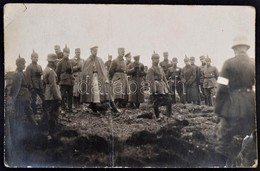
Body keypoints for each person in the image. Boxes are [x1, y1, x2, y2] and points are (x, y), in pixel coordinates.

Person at [214, 35, 256, 167]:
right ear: (246, 48)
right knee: (249, 137)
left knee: (223, 140)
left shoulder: (228, 63)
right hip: (251, 104)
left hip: (232, 106)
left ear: (234, 49)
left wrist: (218, 109)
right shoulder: (253, 63)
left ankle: (219, 165)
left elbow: (221, 88)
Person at [5, 55, 37, 165]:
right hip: (23, 97)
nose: (23, 65)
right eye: (22, 63)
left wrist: (13, 99)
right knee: (24, 115)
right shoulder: (18, 74)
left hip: (24, 96)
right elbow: (17, 88)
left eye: (24, 63)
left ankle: (29, 129)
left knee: (23, 115)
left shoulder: (20, 74)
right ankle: (32, 128)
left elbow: (20, 87)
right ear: (18, 64)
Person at [80, 46, 119, 113]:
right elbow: (84, 72)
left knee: (99, 94)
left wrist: (105, 78)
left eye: (96, 51)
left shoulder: (100, 60)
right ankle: (93, 108)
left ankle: (100, 108)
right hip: (91, 79)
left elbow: (103, 70)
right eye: (94, 51)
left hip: (99, 79)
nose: (95, 52)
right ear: (91, 51)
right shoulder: (87, 61)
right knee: (92, 94)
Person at [146, 53, 172, 119]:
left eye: (158, 58)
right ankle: (157, 116)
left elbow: (164, 78)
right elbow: (151, 81)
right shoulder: (151, 69)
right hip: (156, 86)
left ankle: (168, 114)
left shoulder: (160, 68)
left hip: (163, 86)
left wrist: (167, 86)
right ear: (152, 60)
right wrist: (153, 90)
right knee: (156, 102)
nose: (157, 60)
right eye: (155, 59)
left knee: (169, 99)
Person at [42, 53, 62, 139]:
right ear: (53, 62)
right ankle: (51, 134)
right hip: (52, 96)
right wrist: (58, 97)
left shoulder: (46, 69)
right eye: (55, 62)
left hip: (47, 95)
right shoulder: (51, 72)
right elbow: (53, 86)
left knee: (48, 114)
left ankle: (48, 133)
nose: (56, 63)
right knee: (53, 115)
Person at [56, 45, 75, 114]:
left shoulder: (70, 62)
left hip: (70, 81)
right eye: (66, 52)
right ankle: (63, 108)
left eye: (68, 52)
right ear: (63, 53)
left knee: (70, 95)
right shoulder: (60, 63)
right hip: (63, 81)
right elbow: (57, 73)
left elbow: (72, 71)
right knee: (63, 95)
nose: (67, 54)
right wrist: (58, 81)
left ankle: (70, 108)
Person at [25, 50, 45, 115]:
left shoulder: (39, 66)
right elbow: (28, 78)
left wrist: (42, 84)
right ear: (31, 58)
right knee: (33, 100)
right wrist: (31, 87)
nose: (36, 58)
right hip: (33, 86)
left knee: (44, 98)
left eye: (37, 57)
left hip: (40, 86)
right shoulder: (29, 67)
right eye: (34, 57)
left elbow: (41, 76)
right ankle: (34, 113)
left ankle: (45, 111)